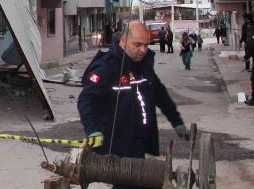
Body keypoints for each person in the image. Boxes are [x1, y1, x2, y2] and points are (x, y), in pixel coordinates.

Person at [78, 22, 189, 189]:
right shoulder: (106, 67)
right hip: (116, 143)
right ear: (124, 41)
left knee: (141, 181)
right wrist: (92, 128)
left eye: (146, 45)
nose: (143, 50)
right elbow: (86, 99)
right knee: (130, 183)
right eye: (138, 45)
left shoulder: (143, 67)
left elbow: (159, 93)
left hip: (139, 141)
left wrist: (177, 121)